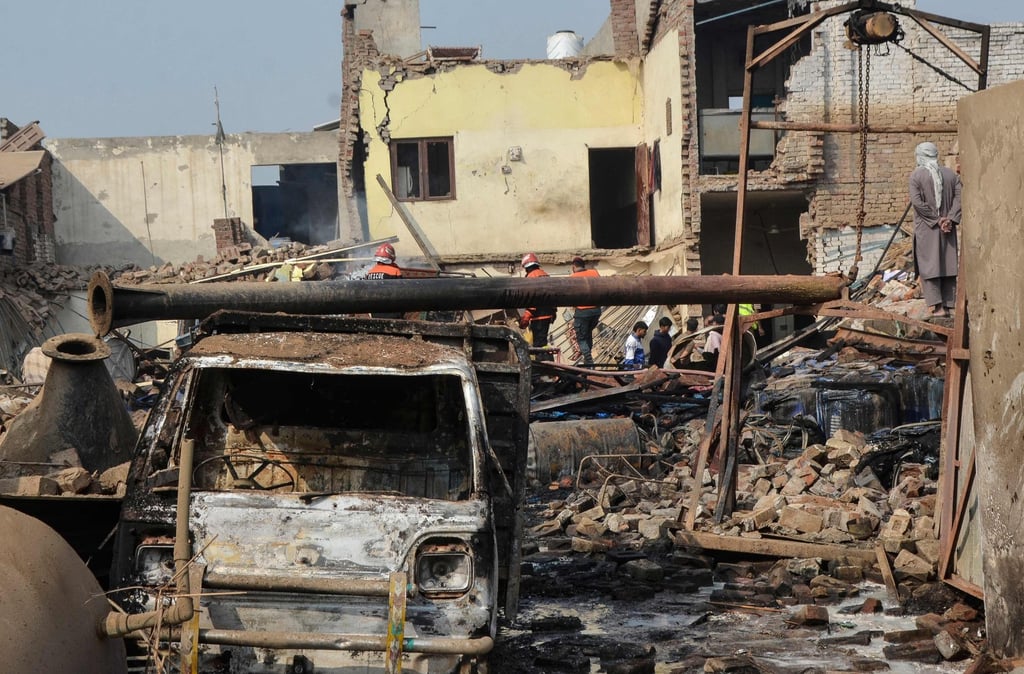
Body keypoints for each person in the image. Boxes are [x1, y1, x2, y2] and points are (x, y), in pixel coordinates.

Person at [909, 141, 962, 318]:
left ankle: (938, 308)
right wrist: (950, 219)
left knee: (929, 266)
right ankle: (950, 306)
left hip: (927, 229)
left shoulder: (916, 176)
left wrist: (936, 220)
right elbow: (959, 198)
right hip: (948, 229)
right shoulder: (951, 175)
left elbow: (917, 203)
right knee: (947, 265)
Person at [518, 252, 557, 350]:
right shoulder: (546, 275)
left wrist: (525, 318)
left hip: (537, 317)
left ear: (526, 266)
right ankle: (547, 360)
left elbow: (532, 300)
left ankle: (543, 362)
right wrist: (554, 312)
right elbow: (553, 295)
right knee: (543, 342)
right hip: (548, 315)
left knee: (538, 345)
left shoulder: (530, 278)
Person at [570, 256, 601, 367]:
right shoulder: (594, 273)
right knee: (588, 335)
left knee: (582, 338)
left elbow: (571, 296)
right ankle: (588, 363)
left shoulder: (573, 277)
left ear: (574, 266)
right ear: (584, 265)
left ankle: (589, 361)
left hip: (582, 312)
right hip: (596, 311)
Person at [365, 242, 403, 318]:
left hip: (374, 312)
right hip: (392, 313)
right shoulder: (395, 271)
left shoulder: (370, 273)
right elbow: (402, 293)